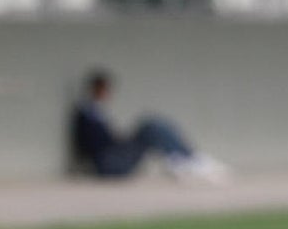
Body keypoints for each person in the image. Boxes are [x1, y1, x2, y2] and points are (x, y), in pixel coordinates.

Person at [70, 68, 230, 182]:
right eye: (104, 90)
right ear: (96, 89)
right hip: (108, 164)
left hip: (113, 157)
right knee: (150, 127)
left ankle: (184, 157)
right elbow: (95, 145)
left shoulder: (97, 112)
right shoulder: (87, 113)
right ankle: (184, 158)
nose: (107, 94)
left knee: (153, 126)